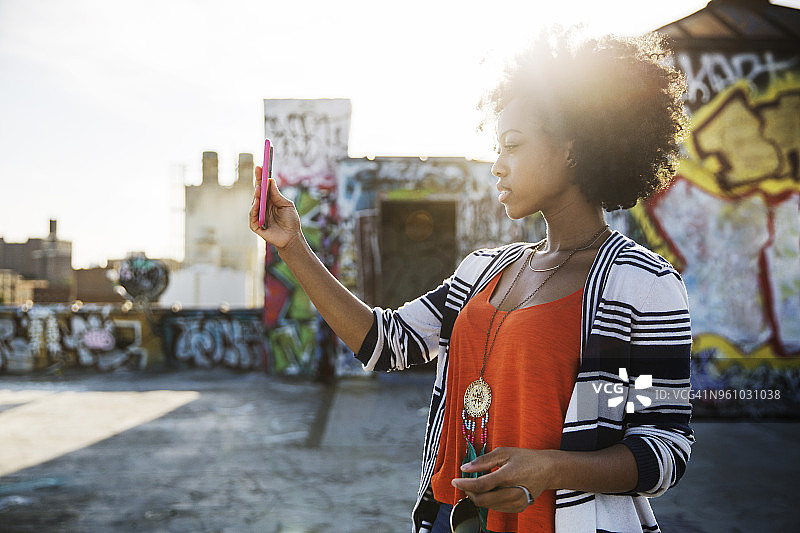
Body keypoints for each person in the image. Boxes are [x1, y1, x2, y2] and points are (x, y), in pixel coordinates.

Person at [250, 28, 693, 533]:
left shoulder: (642, 284)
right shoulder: (484, 269)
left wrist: (549, 467)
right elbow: (386, 343)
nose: (498, 166)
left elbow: (665, 448)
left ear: (573, 148)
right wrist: (293, 247)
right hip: (450, 519)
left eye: (514, 145)